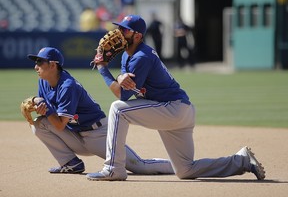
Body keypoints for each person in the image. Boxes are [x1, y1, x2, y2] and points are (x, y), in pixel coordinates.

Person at [86, 15, 266, 181]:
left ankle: (113, 168)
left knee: (118, 109)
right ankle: (241, 160)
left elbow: (121, 94)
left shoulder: (142, 57)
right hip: (179, 110)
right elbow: (123, 83)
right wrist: (117, 77)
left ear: (138, 36)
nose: (118, 34)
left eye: (125, 30)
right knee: (185, 170)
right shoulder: (127, 55)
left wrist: (103, 68)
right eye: (120, 28)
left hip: (172, 108)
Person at [26, 47, 174, 175]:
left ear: (52, 65)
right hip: (75, 134)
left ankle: (178, 165)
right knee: (39, 124)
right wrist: (36, 101)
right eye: (36, 62)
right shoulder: (43, 82)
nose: (35, 66)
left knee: (139, 166)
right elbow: (47, 110)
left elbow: (59, 125)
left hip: (97, 134)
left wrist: (46, 108)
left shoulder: (67, 86)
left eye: (39, 62)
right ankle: (70, 163)